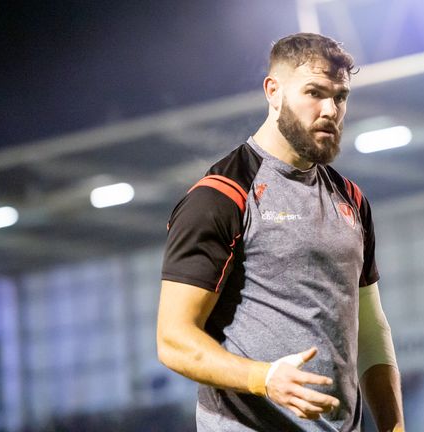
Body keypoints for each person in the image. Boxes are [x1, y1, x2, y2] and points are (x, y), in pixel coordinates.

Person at [156, 32, 405, 431]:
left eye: (340, 97)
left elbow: (372, 332)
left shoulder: (351, 199)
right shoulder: (222, 195)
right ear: (273, 91)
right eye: (314, 92)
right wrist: (264, 378)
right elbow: (173, 340)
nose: (330, 110)